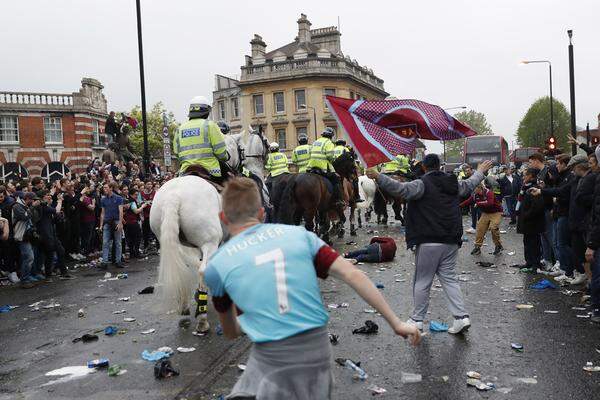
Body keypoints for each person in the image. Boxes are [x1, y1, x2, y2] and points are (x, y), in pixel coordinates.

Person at [204, 178, 420, 399]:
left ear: (223, 218)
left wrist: (254, 313)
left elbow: (231, 332)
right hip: (313, 349)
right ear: (261, 214)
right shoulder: (300, 236)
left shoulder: (217, 265)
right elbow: (353, 274)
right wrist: (396, 323)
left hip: (268, 352)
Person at [367, 155, 493, 334]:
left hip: (429, 239)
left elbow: (400, 189)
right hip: (451, 239)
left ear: (425, 168)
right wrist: (480, 171)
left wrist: (379, 176)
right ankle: (461, 317)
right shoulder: (452, 183)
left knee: (422, 280)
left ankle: (417, 320)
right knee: (449, 278)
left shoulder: (421, 184)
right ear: (440, 166)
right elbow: (470, 184)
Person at [173, 96, 229, 184]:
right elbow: (220, 152)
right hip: (210, 169)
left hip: (185, 170)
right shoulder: (210, 125)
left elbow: (176, 152)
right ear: (207, 112)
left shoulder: (180, 129)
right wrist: (226, 157)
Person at [528, 152, 558, 273]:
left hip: (549, 207)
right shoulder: (540, 173)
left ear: (536, 160)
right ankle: (547, 259)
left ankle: (558, 262)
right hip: (542, 207)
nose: (530, 164)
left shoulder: (547, 171)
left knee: (551, 236)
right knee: (543, 235)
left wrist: (553, 207)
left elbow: (553, 190)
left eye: (531, 162)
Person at [32, 190, 71, 279]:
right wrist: (60, 201)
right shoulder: (41, 206)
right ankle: (49, 275)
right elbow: (56, 210)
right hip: (45, 234)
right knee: (49, 254)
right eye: (47, 195)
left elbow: (55, 217)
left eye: (49, 195)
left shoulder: (45, 206)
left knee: (60, 251)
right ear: (42, 198)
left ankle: (62, 272)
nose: (49, 196)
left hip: (51, 233)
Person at [461, 179, 504, 256]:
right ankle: (477, 247)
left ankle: (498, 246)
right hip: (486, 213)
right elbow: (467, 202)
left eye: (474, 189)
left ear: (479, 187)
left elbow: (490, 203)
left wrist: (478, 203)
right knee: (480, 228)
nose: (473, 191)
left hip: (496, 212)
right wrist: (457, 206)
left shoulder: (488, 192)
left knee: (493, 228)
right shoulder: (475, 195)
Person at [516, 168, 546, 272]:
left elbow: (537, 206)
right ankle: (528, 262)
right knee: (527, 242)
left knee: (534, 243)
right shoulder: (525, 187)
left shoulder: (534, 188)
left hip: (533, 222)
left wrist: (526, 215)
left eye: (525, 175)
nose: (523, 177)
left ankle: (535, 264)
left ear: (531, 176)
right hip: (526, 221)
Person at [307, 127, 344, 208]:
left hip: (311, 167)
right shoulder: (329, 143)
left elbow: (310, 154)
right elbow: (330, 156)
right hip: (322, 167)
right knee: (336, 179)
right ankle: (338, 200)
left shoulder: (316, 141)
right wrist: (333, 159)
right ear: (331, 136)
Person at [13, 192, 43, 287]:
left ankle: (27, 276)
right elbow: (25, 217)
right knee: (29, 257)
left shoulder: (25, 206)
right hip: (21, 236)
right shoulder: (17, 206)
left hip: (28, 236)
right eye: (32, 200)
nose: (33, 201)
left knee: (28, 257)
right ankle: (24, 280)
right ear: (27, 199)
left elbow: (36, 218)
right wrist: (32, 207)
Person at [99, 182, 124, 269]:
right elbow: (102, 213)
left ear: (111, 188)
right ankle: (104, 262)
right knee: (105, 243)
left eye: (106, 188)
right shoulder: (103, 199)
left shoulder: (119, 198)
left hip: (116, 221)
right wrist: (101, 225)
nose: (104, 189)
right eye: (104, 188)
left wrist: (120, 223)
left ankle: (118, 261)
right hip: (107, 222)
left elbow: (121, 211)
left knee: (118, 242)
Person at [123, 187, 147, 259]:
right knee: (137, 237)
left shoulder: (127, 201)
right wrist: (143, 206)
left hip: (128, 223)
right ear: (131, 194)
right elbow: (136, 211)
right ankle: (136, 253)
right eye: (135, 195)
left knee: (130, 238)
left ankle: (132, 253)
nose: (136, 196)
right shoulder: (132, 201)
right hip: (133, 222)